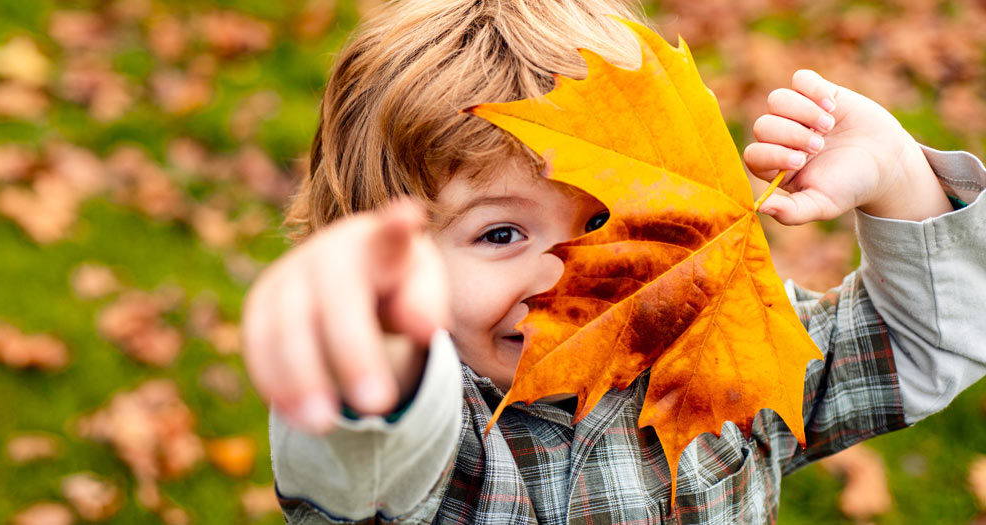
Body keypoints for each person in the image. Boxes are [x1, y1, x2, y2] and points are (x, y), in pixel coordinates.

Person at [240, 0, 986, 522]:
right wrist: (367, 350)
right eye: (500, 234)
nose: (568, 269)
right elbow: (361, 454)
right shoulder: (436, 445)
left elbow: (924, 337)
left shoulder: (717, 345)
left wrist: (898, 174)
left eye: (604, 220)